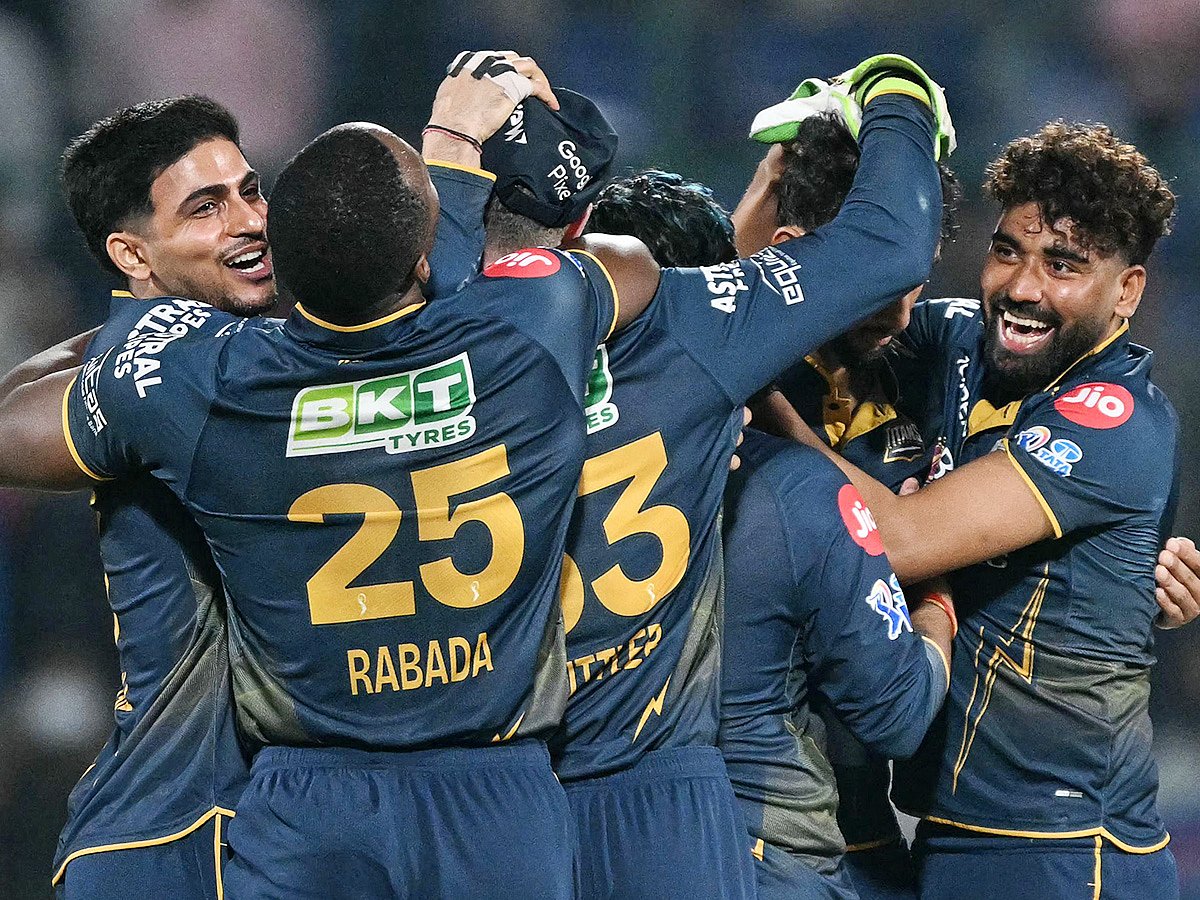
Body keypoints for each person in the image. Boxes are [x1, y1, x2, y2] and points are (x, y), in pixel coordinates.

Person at [447, 55, 949, 899]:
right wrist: (896, 91)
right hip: (715, 829)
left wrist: (449, 144)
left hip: (507, 813)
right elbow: (897, 711)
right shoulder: (756, 445)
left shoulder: (432, 379)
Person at [776, 121, 1182, 900]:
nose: (1023, 288)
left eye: (1063, 265)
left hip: (1066, 849)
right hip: (954, 835)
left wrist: (763, 406)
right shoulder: (962, 342)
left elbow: (896, 538)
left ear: (1126, 290)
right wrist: (779, 189)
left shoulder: (1114, 418)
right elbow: (839, 301)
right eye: (1008, 252)